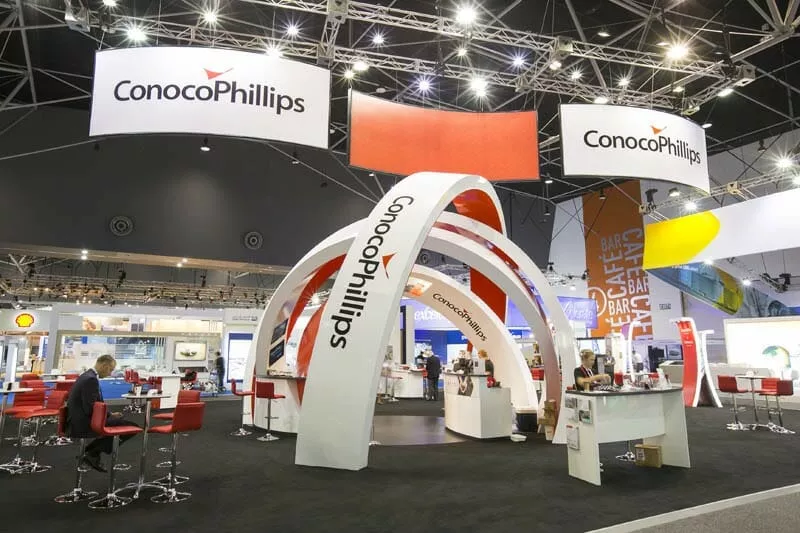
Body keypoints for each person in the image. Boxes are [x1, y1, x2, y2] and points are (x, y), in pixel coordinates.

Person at [66, 354, 140, 473]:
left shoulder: (87, 376)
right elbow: (90, 408)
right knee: (132, 427)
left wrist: (110, 415)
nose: (110, 373)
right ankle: (92, 453)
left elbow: (93, 405)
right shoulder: (91, 379)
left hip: (80, 418)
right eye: (110, 370)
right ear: (104, 365)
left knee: (122, 422)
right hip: (83, 422)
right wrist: (108, 416)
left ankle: (90, 452)